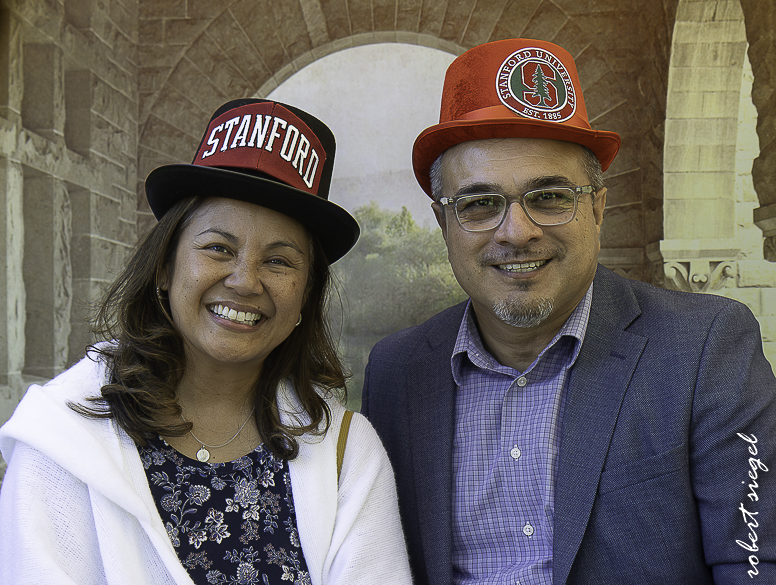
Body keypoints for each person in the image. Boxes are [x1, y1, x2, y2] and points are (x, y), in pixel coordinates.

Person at [361, 38, 776, 584]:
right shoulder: (396, 372)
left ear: (597, 208)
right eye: (479, 204)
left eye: (550, 196)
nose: (517, 232)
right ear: (444, 225)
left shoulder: (704, 348)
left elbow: (755, 563)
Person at [0, 98, 412, 585]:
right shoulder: (62, 438)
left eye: (278, 261)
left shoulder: (348, 455)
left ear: (305, 295)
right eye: (218, 247)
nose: (245, 281)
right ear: (165, 268)